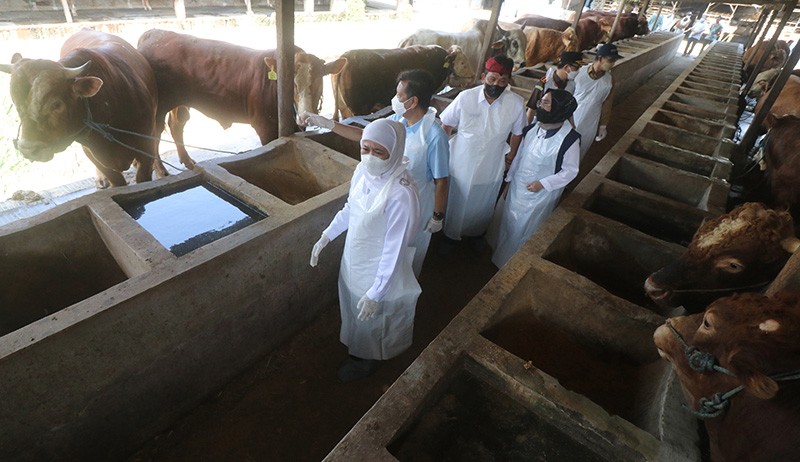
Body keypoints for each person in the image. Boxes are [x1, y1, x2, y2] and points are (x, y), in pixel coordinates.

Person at [303, 69, 449, 278]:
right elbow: (367, 135)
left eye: (399, 95)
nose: (394, 99)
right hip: (386, 193)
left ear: (413, 101)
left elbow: (441, 180)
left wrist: (437, 215)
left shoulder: (434, 135)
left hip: (415, 200)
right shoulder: (398, 120)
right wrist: (328, 124)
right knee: (383, 246)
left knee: (406, 249)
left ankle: (401, 290)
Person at [309, 119, 421, 383]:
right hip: (355, 256)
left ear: (395, 151)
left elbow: (395, 248)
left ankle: (366, 360)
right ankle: (358, 348)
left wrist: (377, 291)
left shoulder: (401, 193)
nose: (370, 157)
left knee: (373, 317)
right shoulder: (362, 171)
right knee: (353, 307)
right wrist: (327, 235)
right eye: (365, 148)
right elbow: (351, 208)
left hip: (378, 267)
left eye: (379, 151)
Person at [439, 55, 526, 244]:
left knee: (483, 201)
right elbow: (446, 125)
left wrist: (510, 158)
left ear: (508, 81)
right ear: (483, 77)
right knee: (456, 198)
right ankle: (449, 235)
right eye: (492, 79)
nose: (496, 84)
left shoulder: (516, 103)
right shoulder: (466, 97)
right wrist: (442, 154)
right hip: (461, 162)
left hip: (492, 163)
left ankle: (475, 235)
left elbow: (518, 133)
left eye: (502, 81)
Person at [491, 89, 580, 268]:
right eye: (541, 102)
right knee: (509, 223)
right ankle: (501, 257)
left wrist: (543, 184)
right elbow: (519, 157)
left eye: (545, 103)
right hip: (518, 187)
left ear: (558, 109)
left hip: (541, 194)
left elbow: (570, 171)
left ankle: (515, 263)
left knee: (527, 228)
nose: (540, 106)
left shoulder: (569, 139)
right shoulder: (532, 129)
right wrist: (509, 182)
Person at [571, 43, 621, 160]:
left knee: (580, 151)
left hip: (591, 121)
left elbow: (607, 103)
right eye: (610, 60)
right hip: (572, 116)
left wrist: (603, 125)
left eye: (614, 61)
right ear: (600, 58)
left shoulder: (610, 81)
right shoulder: (579, 73)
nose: (612, 63)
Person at [525, 51, 583, 124]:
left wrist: (572, 125)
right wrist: (526, 128)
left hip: (560, 125)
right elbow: (532, 108)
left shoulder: (571, 85)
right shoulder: (544, 83)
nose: (578, 71)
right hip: (542, 124)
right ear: (566, 68)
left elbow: (569, 109)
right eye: (576, 68)